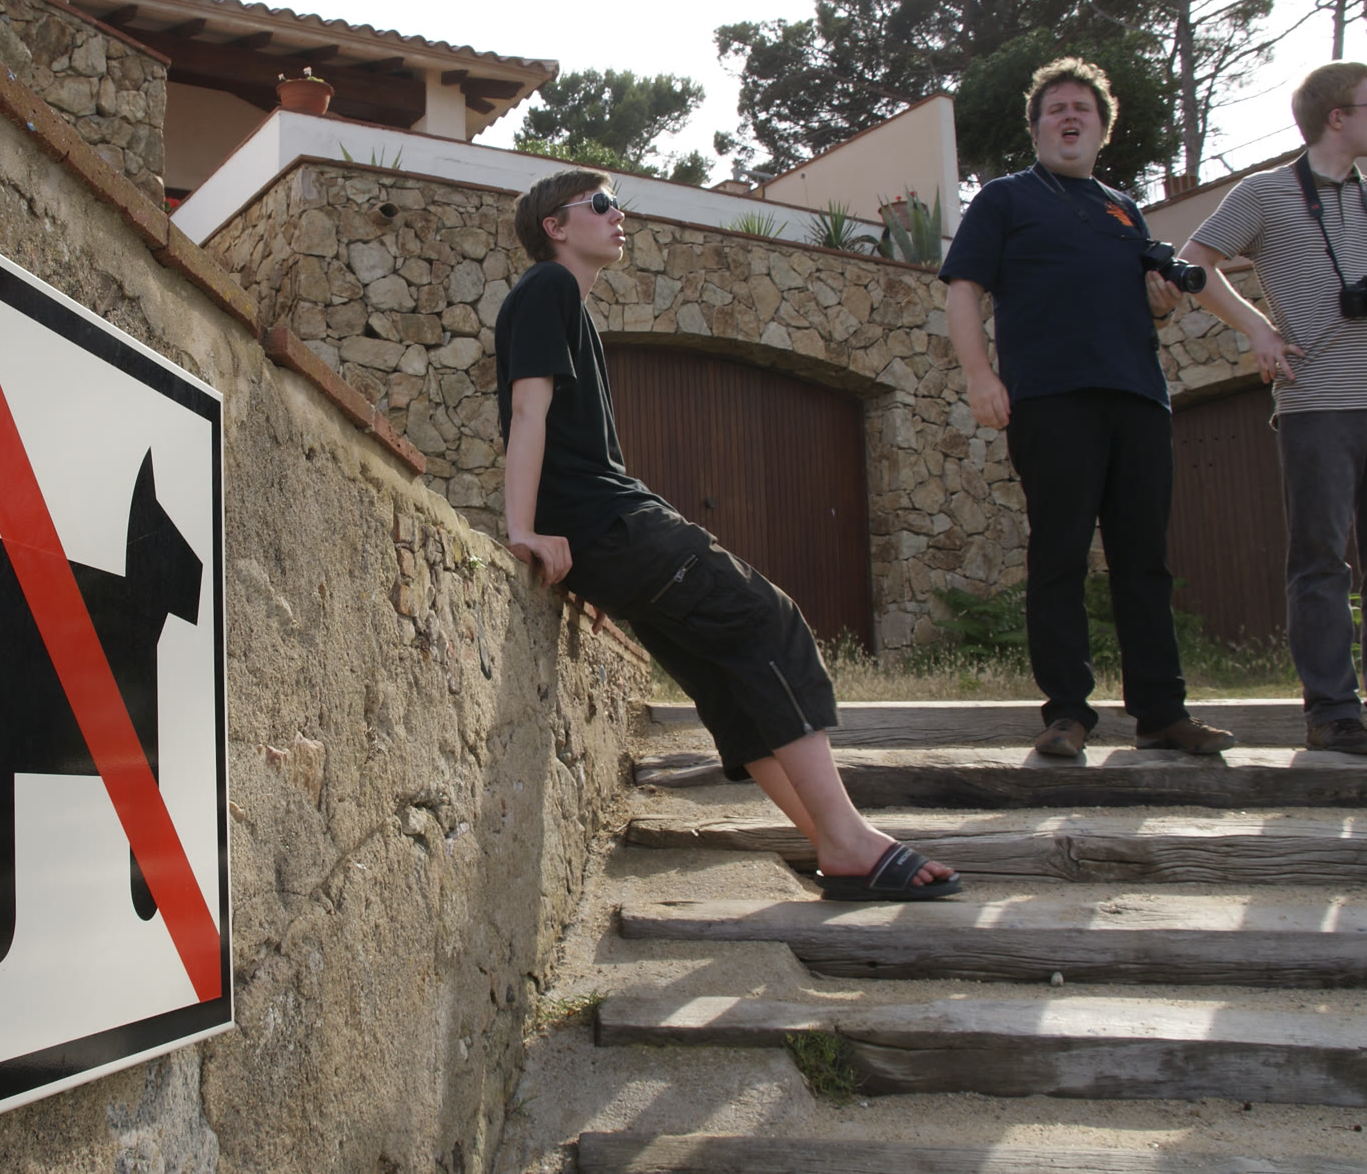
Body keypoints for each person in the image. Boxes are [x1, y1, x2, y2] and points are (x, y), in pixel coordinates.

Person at [496, 167, 960, 901]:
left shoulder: (565, 305)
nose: (619, 215)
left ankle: (831, 847)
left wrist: (578, 559)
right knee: (767, 621)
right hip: (612, 522)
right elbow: (528, 412)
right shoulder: (547, 286)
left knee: (726, 678)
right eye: (602, 204)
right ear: (555, 226)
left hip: (598, 535)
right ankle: (848, 837)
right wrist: (523, 528)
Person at [942, 58, 1236, 759]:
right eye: (1056, 109)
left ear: (1102, 129)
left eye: (1083, 109)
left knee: (1144, 561)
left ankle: (1161, 713)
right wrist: (980, 375)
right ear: (1038, 127)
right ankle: (1067, 714)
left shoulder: (1123, 208)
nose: (1069, 117)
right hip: (1051, 398)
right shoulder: (1005, 198)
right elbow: (963, 288)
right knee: (1060, 554)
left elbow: (1142, 304)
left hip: (1138, 397)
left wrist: (1160, 305)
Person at [1174, 62, 1367, 757]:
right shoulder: (1264, 193)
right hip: (1318, 404)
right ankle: (1333, 713)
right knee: (1321, 561)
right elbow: (1193, 263)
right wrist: (1259, 329)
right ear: (1336, 116)